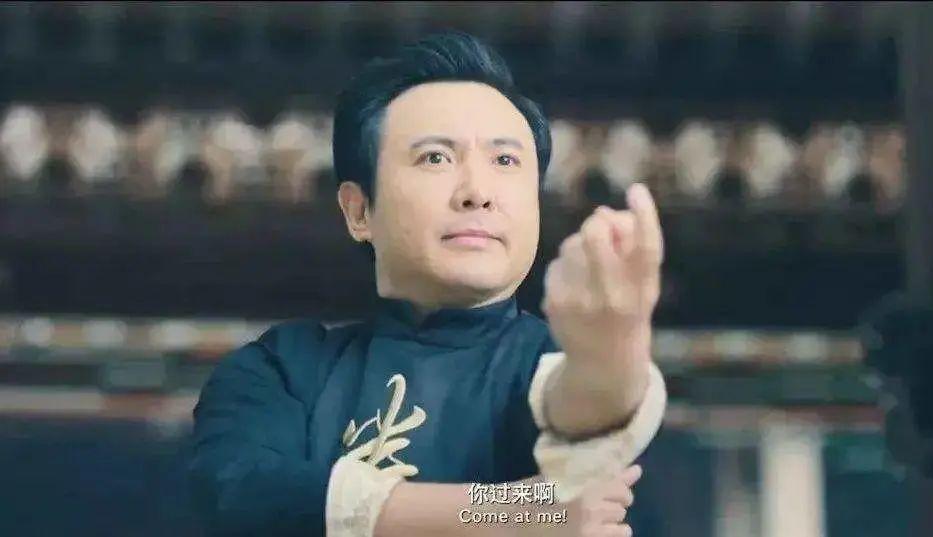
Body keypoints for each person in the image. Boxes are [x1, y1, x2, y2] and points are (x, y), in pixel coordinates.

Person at [188, 32, 667, 537]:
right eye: (435, 157)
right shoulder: (284, 369)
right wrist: (513, 513)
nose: (477, 192)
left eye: (505, 161)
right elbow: (241, 492)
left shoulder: (548, 363)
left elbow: (589, 405)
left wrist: (615, 348)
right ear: (359, 210)